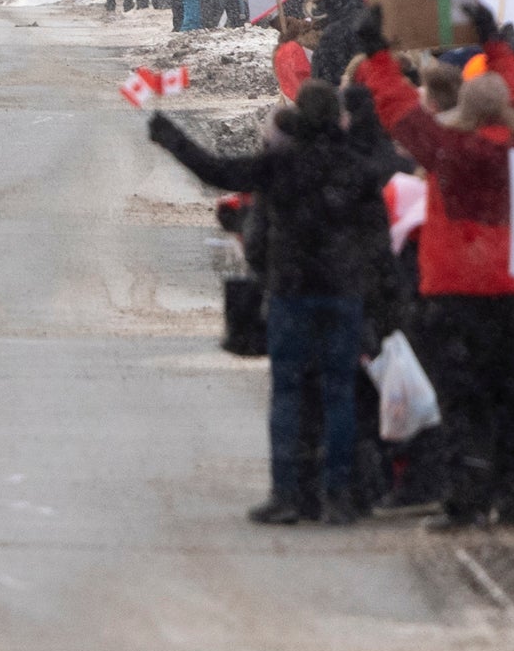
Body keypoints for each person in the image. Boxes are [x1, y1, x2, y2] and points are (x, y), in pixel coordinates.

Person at [151, 79, 396, 523]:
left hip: (292, 293)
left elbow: (217, 171)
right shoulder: (356, 168)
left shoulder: (281, 164)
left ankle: (287, 493)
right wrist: (381, 297)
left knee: (289, 394)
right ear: (339, 118)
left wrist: (172, 139)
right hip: (342, 293)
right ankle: (337, 494)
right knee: (338, 394)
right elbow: (378, 239)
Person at [357, 22, 514, 531]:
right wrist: (497, 46)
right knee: (511, 394)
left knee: (461, 400)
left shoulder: (445, 150)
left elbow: (400, 112)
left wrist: (376, 55)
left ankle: (467, 494)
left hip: (455, 290)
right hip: (513, 287)